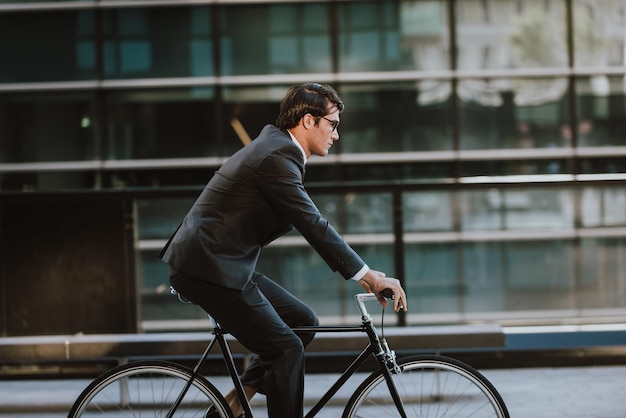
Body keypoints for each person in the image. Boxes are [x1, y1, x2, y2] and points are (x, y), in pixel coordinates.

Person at [160, 82, 407, 418]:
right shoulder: (277, 156)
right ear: (308, 121)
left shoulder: (278, 149)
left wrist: (364, 275)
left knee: (302, 322)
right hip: (208, 268)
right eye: (332, 125)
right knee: (287, 350)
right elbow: (312, 223)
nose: (336, 135)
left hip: (225, 265)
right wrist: (367, 276)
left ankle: (232, 405)